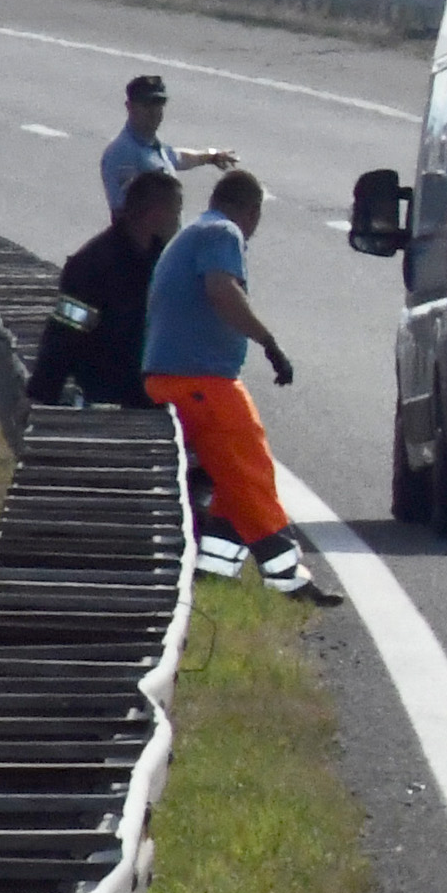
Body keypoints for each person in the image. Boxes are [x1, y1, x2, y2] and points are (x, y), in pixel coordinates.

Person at [140, 169, 342, 606]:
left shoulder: (193, 232)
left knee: (230, 478)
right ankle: (288, 577)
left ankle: (216, 569)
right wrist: (268, 342)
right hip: (201, 382)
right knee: (252, 470)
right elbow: (222, 289)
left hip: (174, 378)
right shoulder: (222, 232)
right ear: (251, 211)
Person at [30, 166, 181, 409]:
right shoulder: (93, 265)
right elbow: (66, 330)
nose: (179, 222)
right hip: (105, 401)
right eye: (176, 212)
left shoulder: (163, 261)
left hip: (154, 396)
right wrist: (41, 395)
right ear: (154, 215)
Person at [101, 72, 238, 218]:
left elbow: (178, 157)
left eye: (159, 104)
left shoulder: (152, 147)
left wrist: (211, 156)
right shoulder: (122, 152)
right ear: (130, 107)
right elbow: (122, 214)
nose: (154, 112)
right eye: (147, 105)